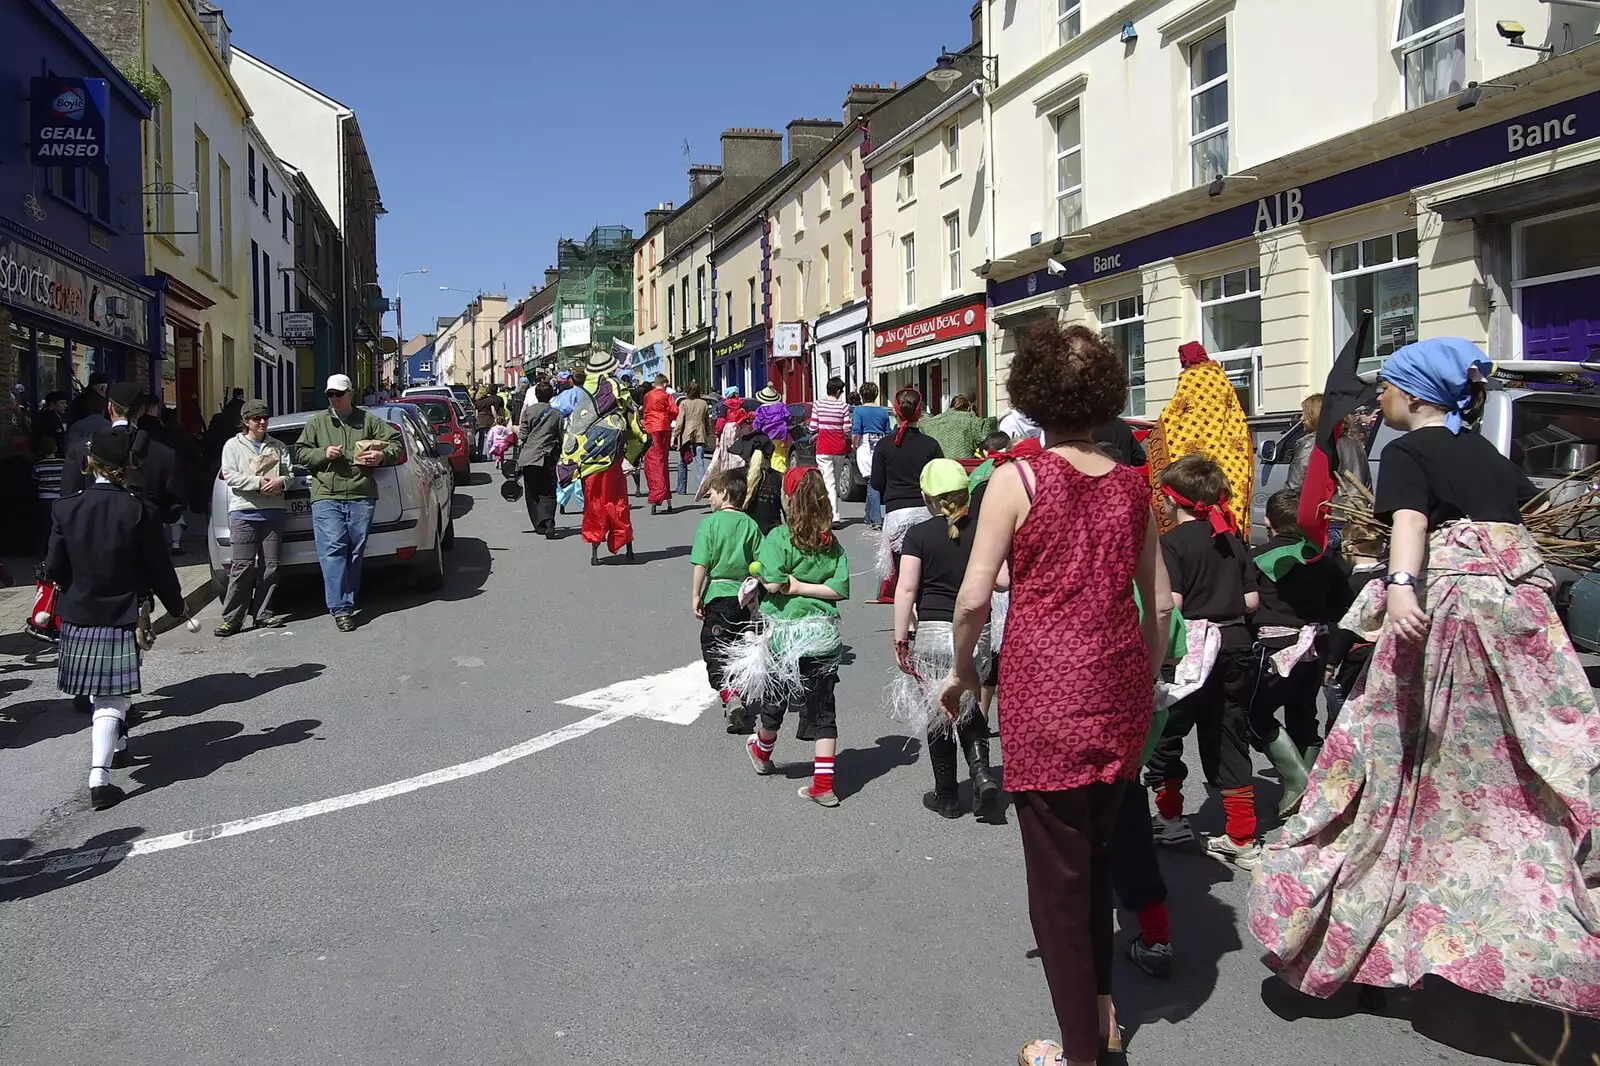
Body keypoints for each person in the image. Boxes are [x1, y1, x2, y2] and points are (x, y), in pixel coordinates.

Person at [1250, 337, 1600, 1019]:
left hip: (1446, 622)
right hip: (1514, 621)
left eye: (1387, 388)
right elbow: (1518, 530)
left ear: (1414, 396)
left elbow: (1410, 522)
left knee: (1388, 779)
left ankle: (1362, 939)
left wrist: (1404, 584)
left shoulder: (1409, 452)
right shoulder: (1491, 457)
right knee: (1503, 785)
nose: (1379, 398)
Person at [938, 323, 1169, 1066]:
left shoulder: (1017, 478)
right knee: (1098, 859)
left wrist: (963, 669)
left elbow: (974, 597)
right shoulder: (1133, 485)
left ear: (1033, 394)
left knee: (1060, 884)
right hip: (1119, 682)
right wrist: (1148, 676)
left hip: (1047, 691)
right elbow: (1158, 602)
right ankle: (1100, 1019)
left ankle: (1080, 1054)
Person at [46, 427, 187, 810]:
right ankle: (100, 779)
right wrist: (177, 606)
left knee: (100, 695)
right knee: (111, 696)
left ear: (89, 464)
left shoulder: (65, 508)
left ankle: (121, 745)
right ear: (125, 465)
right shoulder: (139, 510)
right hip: (122, 612)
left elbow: (54, 568)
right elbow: (159, 568)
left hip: (77, 612)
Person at [1146, 455, 1263, 871]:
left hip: (1192, 649)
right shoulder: (1232, 539)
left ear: (1174, 499)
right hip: (1234, 643)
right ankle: (1241, 834)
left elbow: (1170, 605)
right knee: (1229, 735)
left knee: (1166, 732)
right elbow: (1251, 600)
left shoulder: (1172, 543)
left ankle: (1171, 817)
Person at [726, 467, 851, 807]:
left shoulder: (779, 538)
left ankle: (763, 750)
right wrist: (809, 588)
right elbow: (839, 589)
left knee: (776, 697)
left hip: (787, 636)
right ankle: (823, 783)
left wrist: (788, 585)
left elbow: (771, 583)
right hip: (824, 636)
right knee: (824, 710)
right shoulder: (832, 544)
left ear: (789, 498)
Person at [887, 457, 998, 820]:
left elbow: (906, 589)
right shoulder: (983, 531)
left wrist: (901, 638)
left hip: (933, 635)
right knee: (968, 707)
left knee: (939, 714)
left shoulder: (917, 536)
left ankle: (947, 795)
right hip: (975, 634)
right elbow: (1004, 580)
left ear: (927, 497)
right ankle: (981, 774)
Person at [1246, 488, 1353, 814]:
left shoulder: (1256, 558)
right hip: (1316, 648)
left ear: (1268, 521)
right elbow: (1342, 606)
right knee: (1304, 714)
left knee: (1253, 715)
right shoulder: (1320, 559)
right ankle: (1311, 797)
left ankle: (1297, 779)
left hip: (1274, 649)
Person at [293, 374, 401, 631]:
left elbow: (395, 443)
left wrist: (382, 455)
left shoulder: (368, 421)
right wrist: (322, 453)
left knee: (354, 550)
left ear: (351, 393)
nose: (334, 398)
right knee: (333, 549)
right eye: (330, 394)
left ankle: (347, 600)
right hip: (326, 495)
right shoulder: (317, 423)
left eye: (339, 394)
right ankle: (340, 608)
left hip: (360, 494)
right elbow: (301, 452)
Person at [1144, 341, 1253, 537]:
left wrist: (1155, 436)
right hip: (1226, 448)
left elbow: (1173, 415)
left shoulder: (1190, 378)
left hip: (1195, 448)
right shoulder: (1221, 378)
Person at [691, 468, 766, 734]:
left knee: (714, 648)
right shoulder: (750, 524)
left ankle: (730, 693)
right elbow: (761, 561)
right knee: (739, 648)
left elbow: (701, 562)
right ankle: (740, 691)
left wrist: (696, 595)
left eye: (712, 492)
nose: (709, 496)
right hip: (743, 598)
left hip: (718, 596)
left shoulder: (709, 524)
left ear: (724, 493)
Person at [558, 348, 642, 566]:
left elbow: (575, 427)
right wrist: (636, 448)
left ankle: (595, 543)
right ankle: (623, 541)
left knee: (593, 501)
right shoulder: (617, 387)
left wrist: (569, 462)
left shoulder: (583, 393)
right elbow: (633, 420)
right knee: (616, 499)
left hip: (588, 459)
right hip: (612, 456)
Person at [215, 399, 289, 636]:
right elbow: (231, 476)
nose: (262, 422)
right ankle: (232, 619)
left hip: (273, 512)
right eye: (256, 418)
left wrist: (281, 482)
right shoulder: (231, 446)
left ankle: (263, 614)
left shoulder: (278, 446)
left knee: (270, 567)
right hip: (244, 513)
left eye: (265, 418)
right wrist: (258, 483)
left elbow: (289, 474)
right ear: (245, 421)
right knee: (242, 567)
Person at [868, 388, 943, 603]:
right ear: (919, 413)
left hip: (897, 514)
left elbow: (876, 483)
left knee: (902, 572)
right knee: (927, 570)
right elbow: (940, 479)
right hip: (926, 512)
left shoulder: (884, 445)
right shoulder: (931, 445)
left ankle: (908, 620)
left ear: (896, 412)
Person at [517, 382, 563, 539]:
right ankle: (549, 521)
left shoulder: (529, 412)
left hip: (529, 457)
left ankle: (539, 524)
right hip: (548, 456)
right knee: (549, 491)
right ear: (551, 395)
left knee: (532, 492)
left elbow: (522, 435)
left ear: (536, 395)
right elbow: (561, 435)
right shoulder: (556, 414)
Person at [808, 377, 852, 526]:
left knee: (828, 481)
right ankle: (833, 513)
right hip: (839, 447)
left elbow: (812, 427)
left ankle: (833, 515)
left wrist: (819, 431)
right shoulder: (844, 407)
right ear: (838, 391)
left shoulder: (818, 405)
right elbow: (846, 429)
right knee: (835, 480)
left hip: (823, 447)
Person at [850, 381, 891, 529]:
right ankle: (868, 515)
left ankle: (876, 519)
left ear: (862, 396)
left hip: (866, 444)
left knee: (871, 481)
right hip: (880, 442)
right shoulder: (883, 412)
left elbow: (856, 430)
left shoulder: (859, 411)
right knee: (873, 479)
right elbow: (888, 432)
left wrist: (853, 444)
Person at [641, 373, 679, 515]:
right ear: (664, 384)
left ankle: (656, 493)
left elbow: (645, 411)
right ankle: (664, 493)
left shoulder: (647, 396)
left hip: (651, 428)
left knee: (652, 462)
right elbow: (675, 410)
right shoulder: (666, 396)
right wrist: (666, 417)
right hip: (663, 428)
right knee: (662, 462)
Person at [918, 393, 992, 461]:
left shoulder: (933, 421)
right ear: (968, 408)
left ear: (951, 406)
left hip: (938, 467)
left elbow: (921, 429)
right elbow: (985, 428)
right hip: (962, 467)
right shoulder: (970, 420)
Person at [672, 380, 713, 497]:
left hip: (686, 434)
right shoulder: (703, 403)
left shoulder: (684, 403)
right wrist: (708, 432)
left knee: (682, 461)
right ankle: (701, 487)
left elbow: (680, 422)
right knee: (699, 461)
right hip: (700, 432)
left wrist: (674, 435)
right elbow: (707, 421)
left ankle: (681, 488)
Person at [749, 385, 791, 474]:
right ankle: (781, 475)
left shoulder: (761, 409)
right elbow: (787, 418)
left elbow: (757, 424)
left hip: (766, 436)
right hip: (780, 436)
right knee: (779, 456)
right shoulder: (781, 407)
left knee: (765, 457)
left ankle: (769, 475)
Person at [32, 436, 64, 553]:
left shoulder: (38, 466)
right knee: (59, 526)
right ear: (56, 449)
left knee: (45, 526)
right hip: (59, 498)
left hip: (44, 499)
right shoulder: (63, 463)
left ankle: (46, 550)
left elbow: (35, 481)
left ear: (40, 451)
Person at [34, 391, 67, 456]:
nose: (65, 406)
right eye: (62, 403)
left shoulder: (56, 416)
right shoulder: (48, 418)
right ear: (52, 404)